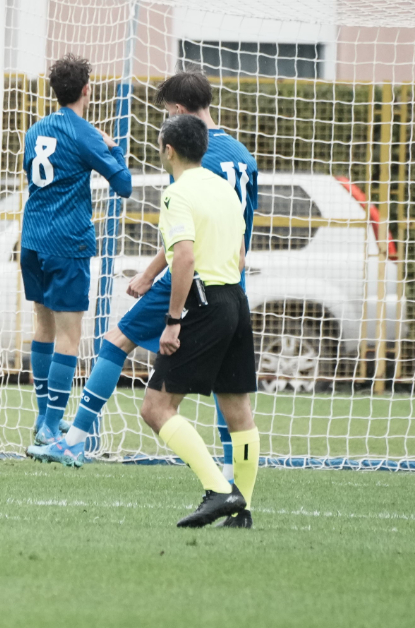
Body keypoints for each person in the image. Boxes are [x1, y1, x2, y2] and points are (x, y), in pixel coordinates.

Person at [31, 71, 258, 516]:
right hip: (234, 288)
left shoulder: (188, 178)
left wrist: (165, 301)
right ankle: (239, 494)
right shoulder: (240, 160)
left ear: (176, 121)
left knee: (139, 379)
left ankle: (74, 439)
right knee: (235, 402)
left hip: (193, 286)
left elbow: (185, 249)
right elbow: (240, 246)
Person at [137, 114, 259, 528]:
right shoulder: (225, 190)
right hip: (236, 300)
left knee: (156, 407)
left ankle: (219, 490)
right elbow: (240, 256)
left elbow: (185, 258)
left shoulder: (177, 194)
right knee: (238, 410)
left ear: (168, 150)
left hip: (205, 305)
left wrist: (173, 320)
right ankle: (242, 510)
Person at [19, 55, 132, 451]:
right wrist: (113, 148)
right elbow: (124, 186)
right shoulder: (85, 134)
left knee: (43, 327)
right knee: (70, 335)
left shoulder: (35, 130)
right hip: (67, 244)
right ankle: (50, 427)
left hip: (32, 241)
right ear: (87, 89)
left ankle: (43, 417)